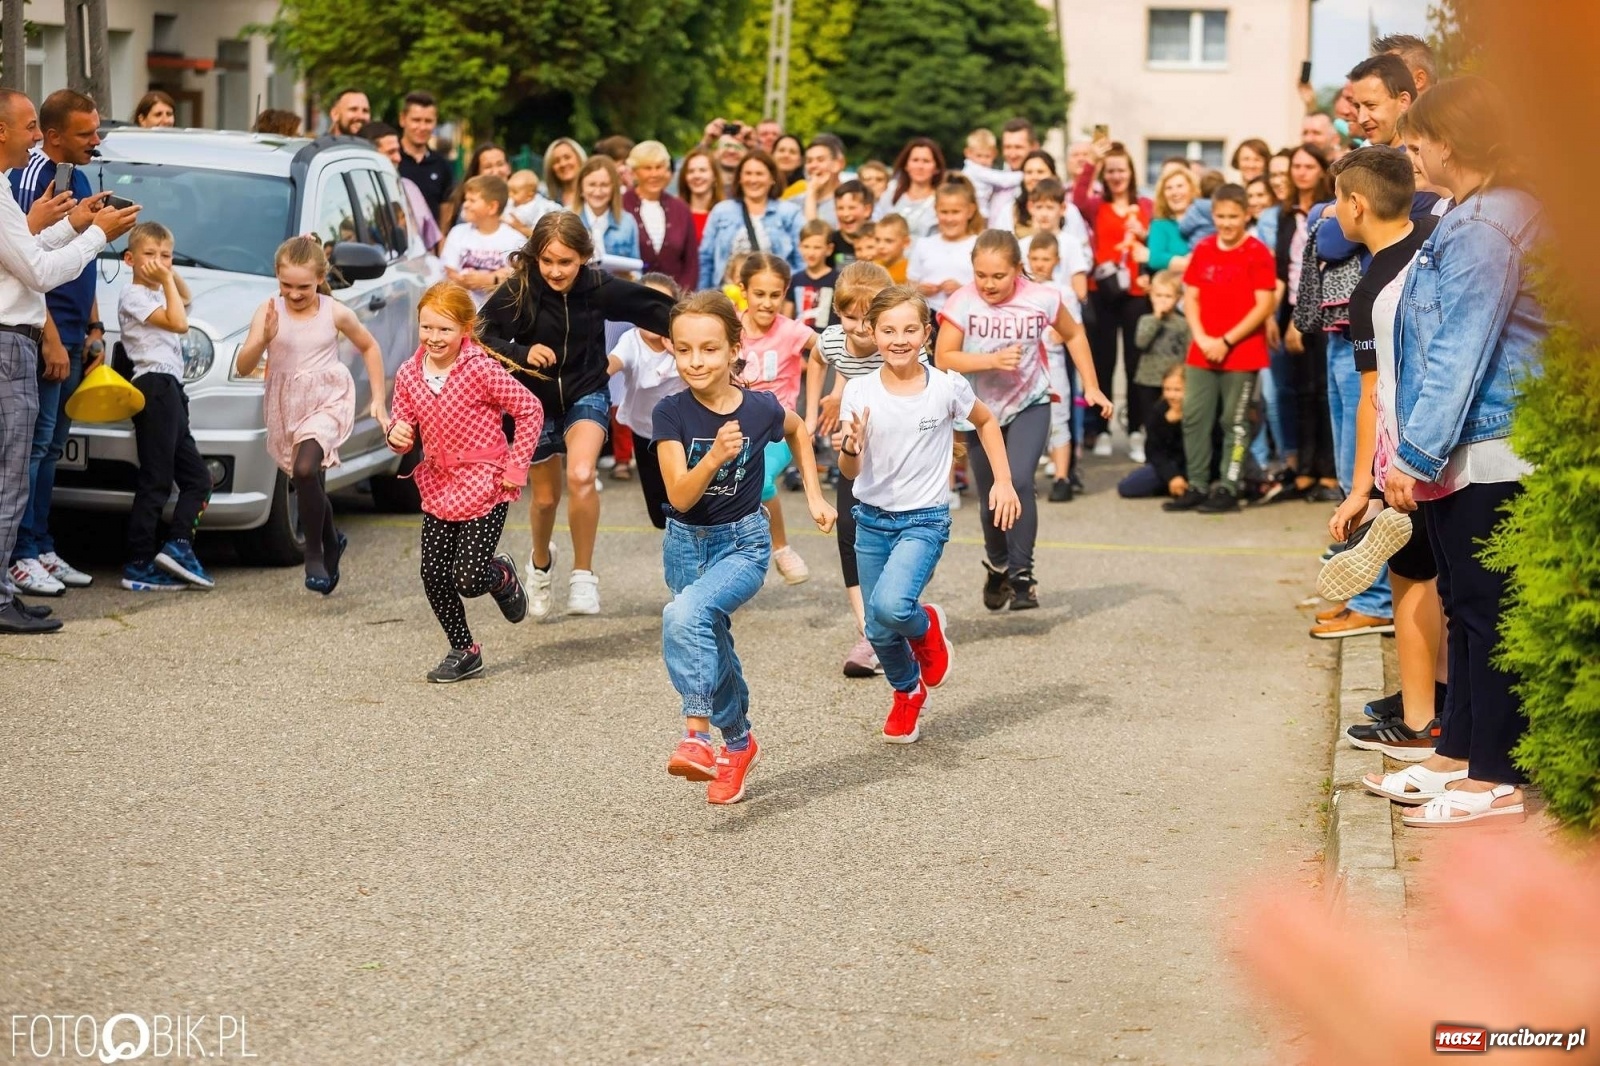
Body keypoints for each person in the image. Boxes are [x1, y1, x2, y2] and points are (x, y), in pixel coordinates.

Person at [1370, 77, 1545, 827]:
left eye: (1418, 141)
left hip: (1489, 448)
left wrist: (1415, 452)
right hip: (1467, 448)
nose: (1409, 153)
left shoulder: (1486, 226)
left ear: (1453, 142)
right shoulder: (1469, 216)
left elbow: (1459, 350)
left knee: (1486, 611)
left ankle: (1497, 774)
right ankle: (1462, 754)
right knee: (1465, 604)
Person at [655, 290, 835, 805]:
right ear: (673, 349)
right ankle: (738, 743)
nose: (696, 361)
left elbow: (798, 431)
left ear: (736, 348)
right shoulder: (671, 415)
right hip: (686, 545)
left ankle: (696, 736)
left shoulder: (759, 408)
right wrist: (713, 458)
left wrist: (816, 498)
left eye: (709, 349)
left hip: (743, 545)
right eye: (685, 349)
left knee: (682, 615)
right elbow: (680, 494)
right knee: (708, 636)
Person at [838, 285, 1020, 742]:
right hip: (872, 519)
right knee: (876, 628)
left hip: (923, 520)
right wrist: (850, 447)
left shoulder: (945, 386)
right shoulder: (859, 392)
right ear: (871, 332)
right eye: (888, 330)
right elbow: (848, 467)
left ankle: (927, 627)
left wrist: (1002, 480)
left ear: (926, 332)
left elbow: (986, 421)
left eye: (909, 329)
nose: (898, 339)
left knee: (893, 606)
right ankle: (907, 692)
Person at [478, 212, 674, 617]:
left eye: (565, 262)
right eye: (547, 261)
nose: (555, 270)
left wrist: (702, 333)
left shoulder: (597, 287)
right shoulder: (521, 290)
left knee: (582, 474)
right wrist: (521, 352)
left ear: (584, 257)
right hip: (531, 404)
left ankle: (583, 575)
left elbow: (656, 308)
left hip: (587, 391)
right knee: (545, 499)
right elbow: (479, 333)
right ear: (535, 257)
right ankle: (540, 564)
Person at [1321, 146, 1445, 761]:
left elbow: (1373, 395)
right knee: (1442, 582)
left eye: (1335, 201)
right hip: (1449, 439)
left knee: (1412, 575)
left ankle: (1422, 720)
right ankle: (1437, 699)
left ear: (1356, 206)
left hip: (1409, 453)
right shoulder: (1436, 234)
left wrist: (1360, 487)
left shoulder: (1371, 287)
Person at [0, 88, 139, 633]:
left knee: (16, 472)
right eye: (30, 125)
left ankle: (6, 588)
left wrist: (75, 223)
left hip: (17, 338)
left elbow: (25, 251)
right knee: (11, 478)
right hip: (10, 341)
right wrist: (97, 236)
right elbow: (36, 273)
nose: (37, 136)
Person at [935, 230, 1112, 610]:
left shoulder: (1043, 298)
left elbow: (1075, 334)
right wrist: (990, 361)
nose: (988, 284)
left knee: (1016, 480)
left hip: (1031, 401)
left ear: (1018, 269)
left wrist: (1092, 386)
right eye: (981, 275)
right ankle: (998, 564)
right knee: (990, 499)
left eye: (998, 276)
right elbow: (944, 357)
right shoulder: (963, 301)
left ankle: (1022, 575)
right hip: (979, 412)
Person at [385, 282, 540, 683]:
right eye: (427, 328)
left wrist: (516, 467)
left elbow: (530, 410)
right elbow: (403, 419)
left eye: (444, 330)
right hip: (439, 483)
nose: (434, 338)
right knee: (433, 573)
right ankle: (464, 649)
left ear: (466, 329)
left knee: (468, 579)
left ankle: (500, 576)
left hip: (487, 483)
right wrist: (397, 433)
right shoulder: (408, 373)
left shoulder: (481, 369)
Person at [234, 237, 387, 593]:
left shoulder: (334, 311)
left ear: (320, 278)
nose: (295, 293)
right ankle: (333, 539)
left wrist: (378, 400)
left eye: (303, 286)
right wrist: (263, 340)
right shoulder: (269, 310)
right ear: (277, 276)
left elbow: (370, 346)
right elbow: (244, 366)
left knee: (304, 471)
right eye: (286, 285)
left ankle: (314, 551)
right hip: (286, 403)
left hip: (327, 399)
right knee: (309, 481)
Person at [7, 90, 105, 597]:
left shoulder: (79, 176)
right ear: (53, 135)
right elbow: (26, 264)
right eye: (86, 132)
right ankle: (20, 554)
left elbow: (80, 261)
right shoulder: (30, 177)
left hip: (70, 332)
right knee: (32, 448)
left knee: (46, 447)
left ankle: (40, 543)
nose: (97, 139)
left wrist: (93, 327)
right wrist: (50, 338)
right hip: (42, 333)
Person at [804, 260, 896, 676]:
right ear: (838, 314)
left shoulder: (896, 342)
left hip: (897, 450)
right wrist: (811, 414)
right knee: (849, 533)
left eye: (869, 318)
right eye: (851, 317)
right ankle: (870, 634)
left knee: (896, 537)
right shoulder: (835, 340)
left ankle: (898, 617)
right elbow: (816, 358)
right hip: (852, 446)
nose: (861, 328)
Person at [1164, 184, 1277, 514]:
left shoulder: (1257, 252)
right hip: (1202, 349)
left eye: (1233, 216)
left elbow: (1264, 304)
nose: (1227, 223)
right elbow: (1191, 296)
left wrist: (1226, 340)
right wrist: (1201, 337)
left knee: (1235, 420)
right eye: (1220, 216)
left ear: (1246, 215)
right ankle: (1198, 483)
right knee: (1195, 416)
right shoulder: (1203, 248)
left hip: (1241, 352)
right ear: (1212, 215)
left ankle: (1229, 485)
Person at [116, 222, 211, 591]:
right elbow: (180, 322)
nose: (158, 262)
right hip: (153, 385)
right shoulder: (133, 294)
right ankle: (138, 562)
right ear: (129, 259)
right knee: (156, 477)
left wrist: (169, 275)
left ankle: (179, 546)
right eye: (149, 255)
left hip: (171, 388)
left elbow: (185, 301)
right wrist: (165, 280)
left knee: (198, 478)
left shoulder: (159, 291)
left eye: (165, 255)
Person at [736, 252, 819, 583]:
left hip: (779, 429)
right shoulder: (730, 328)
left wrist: (811, 414)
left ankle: (781, 549)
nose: (767, 303)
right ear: (744, 290)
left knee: (761, 479)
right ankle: (731, 553)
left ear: (785, 292)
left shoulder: (792, 332)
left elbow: (827, 352)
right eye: (759, 294)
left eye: (775, 295)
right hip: (735, 426)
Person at [1073, 140, 1154, 452]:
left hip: (1136, 292)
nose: (1117, 176)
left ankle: (1136, 429)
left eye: (1122, 170)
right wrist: (1092, 162)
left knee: (1135, 363)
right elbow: (1078, 198)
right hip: (1103, 291)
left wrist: (1144, 233)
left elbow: (1155, 243)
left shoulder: (1145, 206)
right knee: (1103, 363)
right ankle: (1103, 429)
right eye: (1112, 171)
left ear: (1132, 172)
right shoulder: (1097, 205)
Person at [1269, 145, 1339, 504]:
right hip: (1291, 308)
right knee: (1300, 390)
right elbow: (1283, 268)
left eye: (1308, 166)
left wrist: (1301, 319)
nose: (1301, 172)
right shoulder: (1285, 215)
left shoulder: (1330, 210)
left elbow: (1324, 265)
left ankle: (1328, 473)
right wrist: (1275, 315)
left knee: (1325, 389)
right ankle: (1306, 469)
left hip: (1324, 308)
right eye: (1296, 166)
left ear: (1321, 169)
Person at [606, 274, 685, 529]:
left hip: (687, 435)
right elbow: (613, 363)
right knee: (659, 514)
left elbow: (707, 378)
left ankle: (694, 551)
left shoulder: (684, 340)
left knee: (688, 504)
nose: (652, 314)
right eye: (645, 306)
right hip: (645, 434)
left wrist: (679, 352)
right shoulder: (631, 341)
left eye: (660, 306)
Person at [1026, 232, 1088, 502]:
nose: (1040, 264)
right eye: (1035, 258)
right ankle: (1024, 478)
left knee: (1059, 418)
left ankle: (1062, 476)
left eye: (1046, 259)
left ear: (1056, 260)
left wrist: (1062, 333)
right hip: (1024, 366)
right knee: (1025, 422)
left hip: (1054, 365)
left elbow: (1074, 328)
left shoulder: (1064, 292)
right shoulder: (1021, 290)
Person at [697, 149, 803, 291]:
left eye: (759, 174)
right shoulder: (721, 211)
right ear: (739, 178)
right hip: (726, 299)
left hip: (772, 299)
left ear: (772, 178)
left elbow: (802, 261)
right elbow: (705, 259)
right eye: (748, 173)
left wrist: (786, 295)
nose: (753, 180)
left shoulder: (790, 212)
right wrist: (703, 297)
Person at [623, 140, 698, 294]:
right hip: (631, 297)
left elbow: (691, 262)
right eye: (647, 168)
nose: (654, 174)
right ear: (634, 172)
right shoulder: (622, 205)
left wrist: (680, 297)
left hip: (676, 301)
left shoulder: (681, 209)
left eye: (659, 167)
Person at [1129, 270, 1191, 448]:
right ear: (1150, 295)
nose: (1163, 300)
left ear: (1178, 297)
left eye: (1168, 296)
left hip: (1174, 382)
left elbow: (1188, 350)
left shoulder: (1183, 323)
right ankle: (1151, 453)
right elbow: (1141, 342)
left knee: (1173, 419)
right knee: (1151, 420)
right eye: (1158, 295)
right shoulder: (1146, 319)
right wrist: (1156, 318)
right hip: (1148, 380)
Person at [439, 175, 521, 309]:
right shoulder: (457, 233)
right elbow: (449, 271)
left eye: (472, 200)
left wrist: (488, 280)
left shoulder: (514, 239)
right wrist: (467, 281)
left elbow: (518, 276)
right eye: (466, 200)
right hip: (462, 312)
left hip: (500, 313)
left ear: (492, 207)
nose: (465, 205)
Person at [361, 122, 442, 254]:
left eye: (398, 151)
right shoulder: (361, 195)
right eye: (391, 152)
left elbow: (431, 241)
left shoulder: (409, 187)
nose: (398, 158)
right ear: (370, 155)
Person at [907, 178, 982, 320]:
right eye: (944, 212)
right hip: (928, 317)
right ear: (936, 211)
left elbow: (987, 286)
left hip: (966, 317)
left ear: (970, 211)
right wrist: (919, 289)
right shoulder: (924, 244)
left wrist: (962, 290)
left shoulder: (979, 245)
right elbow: (911, 282)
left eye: (955, 212)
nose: (949, 218)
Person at [1117, 364, 1188, 500]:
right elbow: (1153, 450)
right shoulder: (1159, 411)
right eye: (1167, 389)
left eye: (1178, 390)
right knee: (1127, 487)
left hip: (1194, 465)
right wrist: (1172, 476)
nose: (1172, 395)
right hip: (1169, 464)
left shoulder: (1200, 411)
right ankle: (1172, 485)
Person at [396, 91, 452, 225]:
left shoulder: (442, 165)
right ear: (403, 120)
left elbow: (446, 207)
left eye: (428, 121)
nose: (422, 127)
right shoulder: (390, 159)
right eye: (416, 120)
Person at [575, 156, 640, 264]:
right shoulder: (566, 219)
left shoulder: (627, 222)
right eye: (592, 185)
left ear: (614, 188)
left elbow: (636, 267)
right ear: (581, 188)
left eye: (604, 185)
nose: (598, 191)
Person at [886, 138, 947, 238]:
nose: (920, 166)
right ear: (906, 165)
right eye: (915, 160)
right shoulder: (890, 195)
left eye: (926, 161)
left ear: (936, 168)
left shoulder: (942, 200)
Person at [787, 219, 838, 329]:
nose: (811, 253)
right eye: (806, 246)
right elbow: (787, 318)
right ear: (799, 247)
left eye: (817, 247)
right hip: (801, 342)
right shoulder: (795, 280)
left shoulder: (838, 280)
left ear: (829, 249)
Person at [675, 146, 721, 244]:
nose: (696, 176)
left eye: (702, 170)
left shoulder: (725, 214)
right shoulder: (675, 213)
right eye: (691, 171)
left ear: (715, 176)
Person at [800, 134, 848, 225]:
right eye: (809, 161)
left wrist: (811, 194)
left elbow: (814, 237)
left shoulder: (851, 204)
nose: (813, 166)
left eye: (820, 160)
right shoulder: (793, 203)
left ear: (839, 164)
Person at [503, 170, 560, 239]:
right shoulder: (511, 201)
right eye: (509, 191)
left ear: (529, 195)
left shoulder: (537, 207)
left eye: (514, 192)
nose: (510, 195)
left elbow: (537, 229)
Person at [829, 179, 875, 263]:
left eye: (852, 208)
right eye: (840, 208)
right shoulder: (830, 242)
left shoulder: (879, 239)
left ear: (867, 210)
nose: (846, 214)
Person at [542, 137, 587, 210]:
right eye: (556, 161)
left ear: (579, 158)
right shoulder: (545, 199)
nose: (563, 164)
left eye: (567, 157)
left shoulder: (594, 194)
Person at [873, 213, 911, 284]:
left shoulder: (910, 272)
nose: (881, 246)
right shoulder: (873, 268)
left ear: (906, 242)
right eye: (877, 240)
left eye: (888, 241)